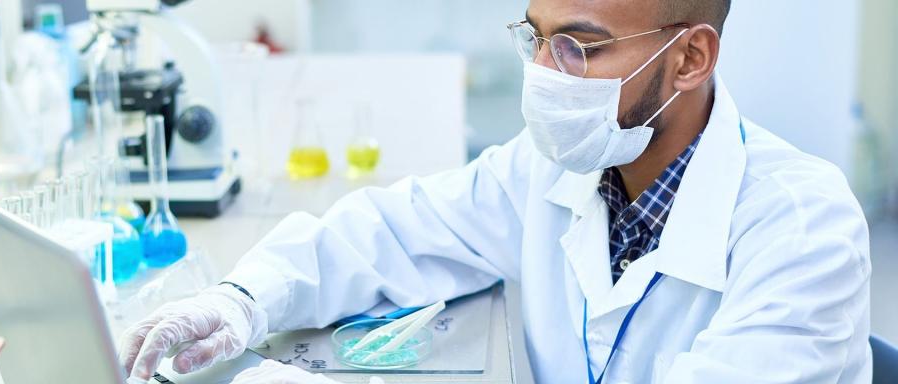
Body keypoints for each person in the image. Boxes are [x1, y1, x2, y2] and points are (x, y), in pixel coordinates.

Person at [120, 0, 873, 382]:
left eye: (580, 46)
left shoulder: (804, 230)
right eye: (535, 36)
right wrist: (240, 301)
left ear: (690, 59)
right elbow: (392, 231)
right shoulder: (558, 169)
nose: (546, 72)